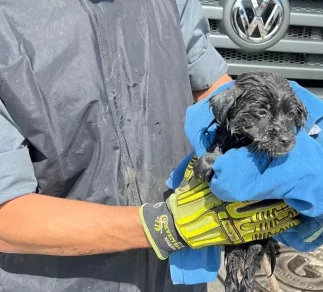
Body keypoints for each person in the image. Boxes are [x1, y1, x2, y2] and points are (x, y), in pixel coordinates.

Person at [0, 1, 299, 291]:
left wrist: (278, 161)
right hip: (64, 279)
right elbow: (6, 214)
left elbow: (210, 87)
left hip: (177, 275)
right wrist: (163, 226)